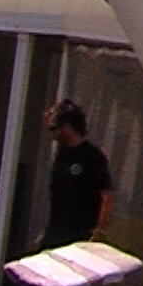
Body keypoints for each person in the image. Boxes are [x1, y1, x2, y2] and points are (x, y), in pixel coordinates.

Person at [40, 100, 112, 250]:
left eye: (54, 129)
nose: (52, 134)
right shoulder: (62, 154)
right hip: (56, 233)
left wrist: (99, 230)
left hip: (80, 235)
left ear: (67, 127)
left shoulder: (92, 156)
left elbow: (106, 195)